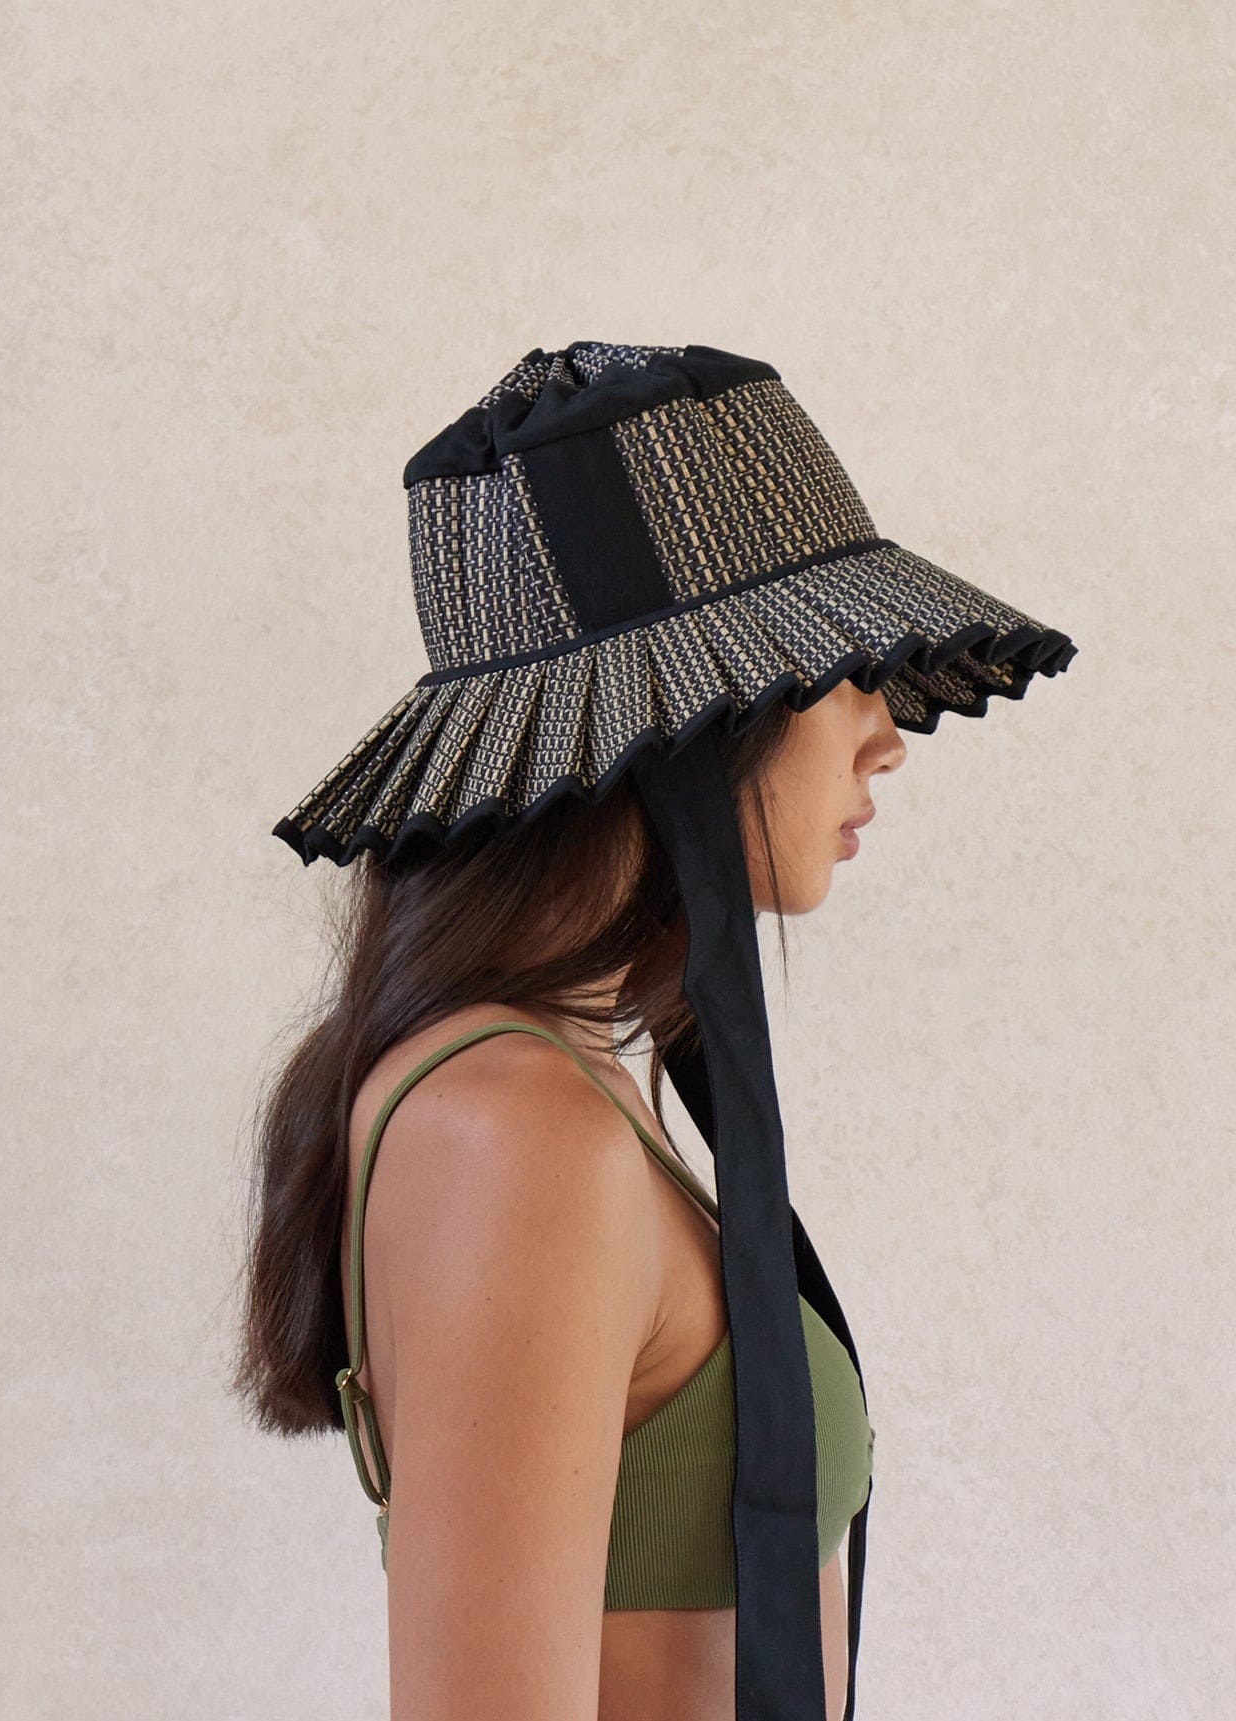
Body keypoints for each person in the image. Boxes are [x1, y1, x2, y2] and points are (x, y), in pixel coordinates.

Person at [234, 340, 1077, 1721]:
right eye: (835, 669)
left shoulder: (555, 1089)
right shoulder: (516, 1129)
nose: (885, 733)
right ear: (684, 722)